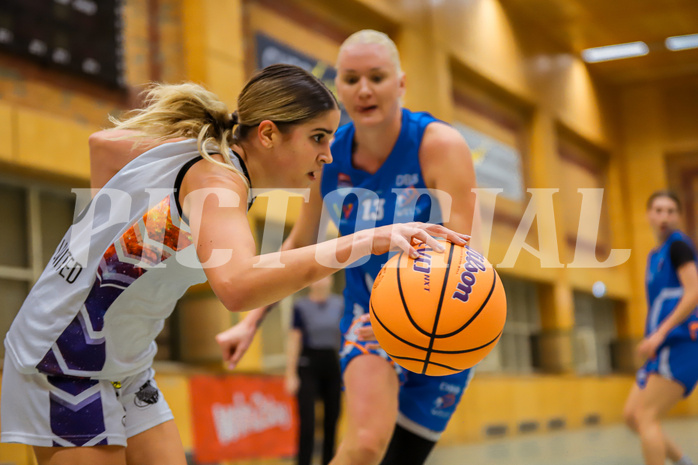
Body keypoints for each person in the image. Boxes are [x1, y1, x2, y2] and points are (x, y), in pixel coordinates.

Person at [0, 63, 467, 465]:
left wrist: (104, 232)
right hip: (67, 359)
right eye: (318, 138)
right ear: (267, 133)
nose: (328, 154)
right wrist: (368, 239)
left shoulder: (207, 154)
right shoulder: (219, 184)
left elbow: (102, 143)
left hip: (126, 362)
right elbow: (238, 286)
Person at [216, 30, 479, 465]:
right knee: (364, 446)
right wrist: (251, 321)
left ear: (401, 84)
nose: (364, 89)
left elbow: (464, 253)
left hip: (443, 318)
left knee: (402, 457)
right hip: (370, 318)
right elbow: (302, 242)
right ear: (338, 87)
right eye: (351, 78)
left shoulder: (440, 145)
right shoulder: (327, 152)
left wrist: (420, 318)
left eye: (377, 77)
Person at [623, 190, 698, 465]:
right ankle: (684, 461)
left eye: (670, 211)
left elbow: (694, 292)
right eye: (658, 210)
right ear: (648, 215)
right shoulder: (655, 255)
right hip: (664, 345)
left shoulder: (680, 248)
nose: (664, 216)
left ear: (678, 216)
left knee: (646, 417)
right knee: (632, 416)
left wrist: (660, 333)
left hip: (682, 343)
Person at [286, 275, 343, 465]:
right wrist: (290, 374)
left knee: (332, 419)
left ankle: (329, 461)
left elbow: (346, 337)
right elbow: (295, 339)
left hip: (332, 362)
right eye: (317, 278)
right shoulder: (301, 306)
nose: (321, 281)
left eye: (325, 277)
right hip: (308, 363)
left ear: (331, 280)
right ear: (310, 282)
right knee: (308, 423)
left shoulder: (340, 304)